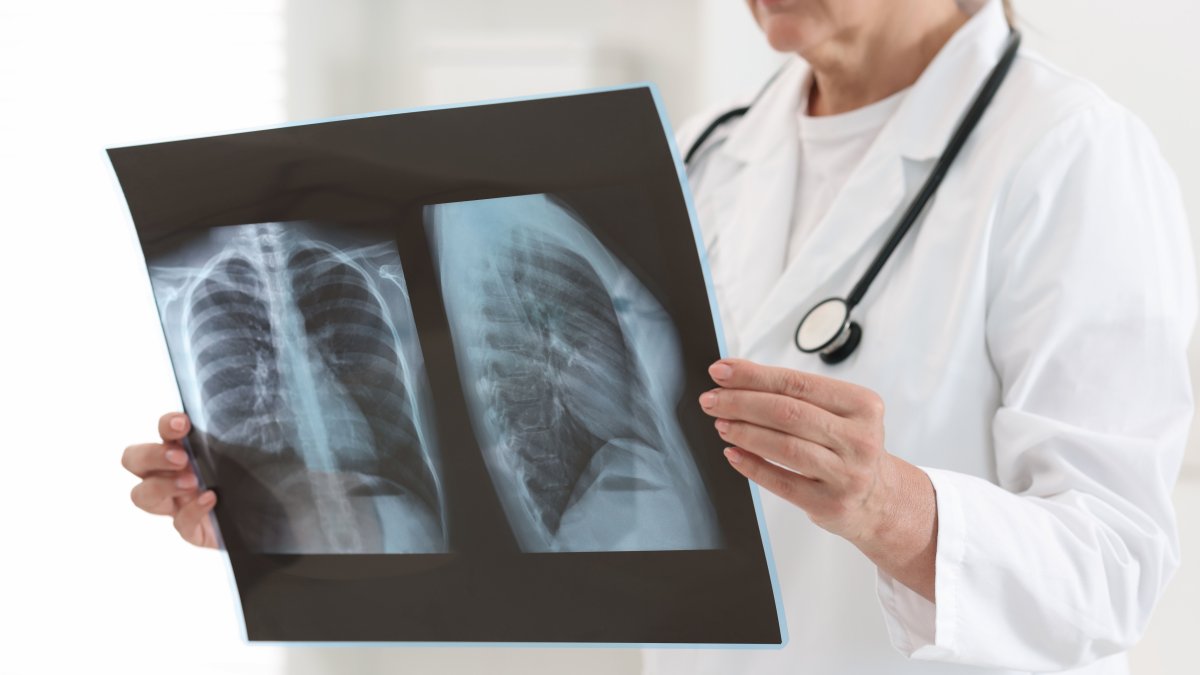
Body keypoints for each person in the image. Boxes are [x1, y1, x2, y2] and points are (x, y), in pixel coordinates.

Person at [122, 0, 1195, 672]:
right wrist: (281, 503)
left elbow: (1115, 573)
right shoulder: (712, 151)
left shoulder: (1069, 155)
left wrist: (891, 506)